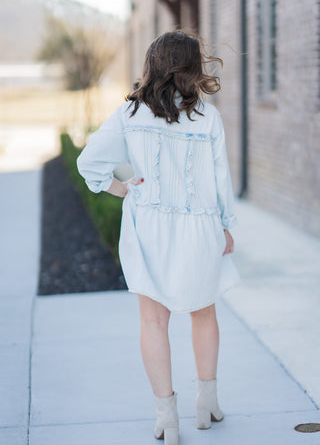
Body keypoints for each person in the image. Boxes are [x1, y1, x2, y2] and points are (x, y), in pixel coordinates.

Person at [76, 30, 241, 445]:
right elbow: (222, 181)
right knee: (203, 313)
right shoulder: (208, 117)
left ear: (152, 65)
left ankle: (167, 418)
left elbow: (90, 163)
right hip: (200, 227)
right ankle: (208, 403)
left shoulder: (130, 114)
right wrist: (225, 225)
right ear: (193, 68)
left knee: (153, 321)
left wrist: (123, 189)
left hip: (148, 227)